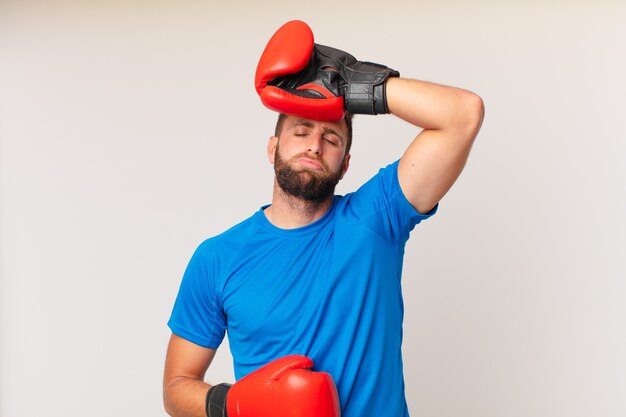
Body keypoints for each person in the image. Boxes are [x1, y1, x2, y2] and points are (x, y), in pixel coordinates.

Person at [163, 20, 484, 417]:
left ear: (345, 163)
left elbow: (462, 114)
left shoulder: (376, 220)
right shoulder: (217, 258)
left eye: (331, 138)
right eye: (301, 130)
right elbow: (177, 388)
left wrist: (352, 85)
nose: (315, 145)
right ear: (272, 148)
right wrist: (236, 404)